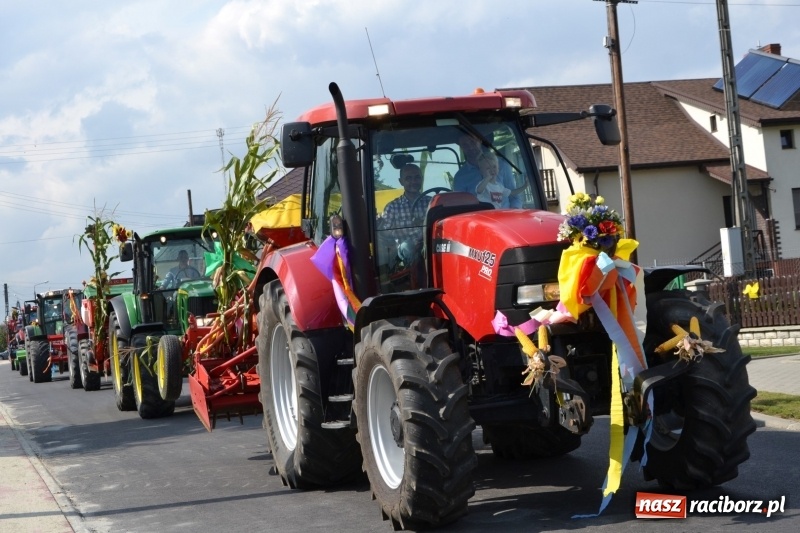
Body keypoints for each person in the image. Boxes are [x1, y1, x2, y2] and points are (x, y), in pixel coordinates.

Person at [453, 132, 523, 208]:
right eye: (465, 145)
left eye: (472, 142)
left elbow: (515, 198)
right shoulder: (460, 177)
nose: (470, 147)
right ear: (461, 147)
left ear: (480, 140)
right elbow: (460, 206)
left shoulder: (502, 165)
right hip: (477, 218)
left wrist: (513, 215)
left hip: (504, 217)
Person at [379, 163, 431, 266]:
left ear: (422, 178)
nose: (413, 181)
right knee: (408, 246)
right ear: (401, 181)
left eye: (417, 177)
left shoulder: (432, 202)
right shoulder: (392, 207)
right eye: (408, 178)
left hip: (430, 244)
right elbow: (384, 235)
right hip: (405, 250)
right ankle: (418, 277)